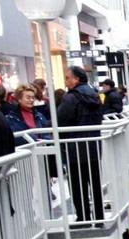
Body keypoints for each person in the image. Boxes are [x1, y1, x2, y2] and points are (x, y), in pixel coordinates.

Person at [57, 66, 104, 221]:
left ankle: (83, 216)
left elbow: (61, 120)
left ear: (76, 79)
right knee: (95, 183)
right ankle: (99, 215)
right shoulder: (95, 95)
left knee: (78, 185)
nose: (66, 81)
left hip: (74, 148)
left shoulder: (71, 98)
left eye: (67, 78)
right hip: (93, 146)